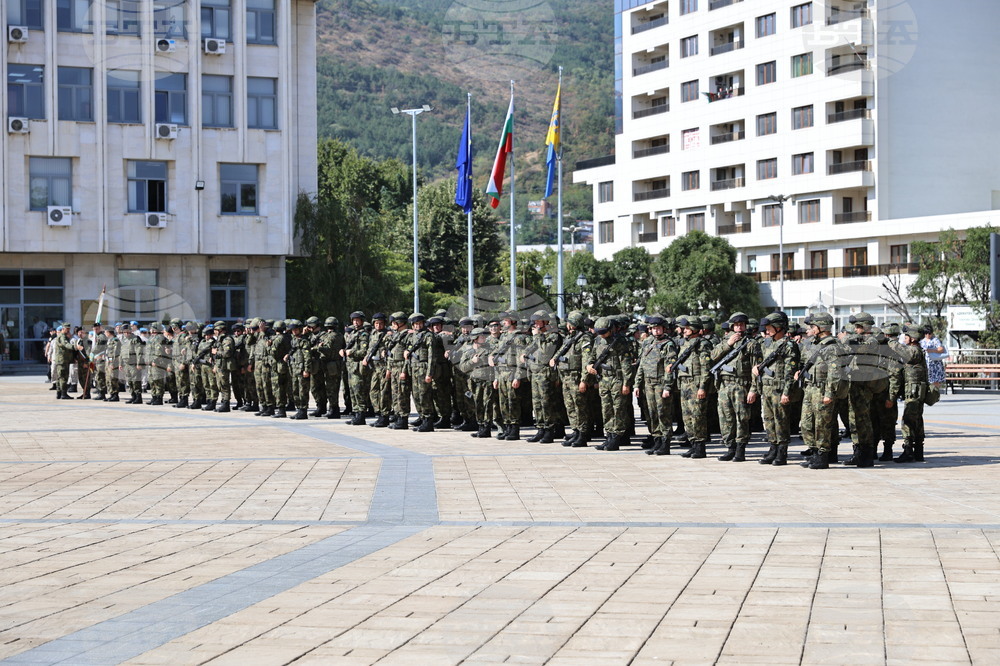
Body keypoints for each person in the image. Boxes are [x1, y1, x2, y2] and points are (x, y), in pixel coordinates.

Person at [892, 325, 929, 463]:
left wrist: (890, 341)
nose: (904, 339)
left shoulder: (913, 350)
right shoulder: (917, 350)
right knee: (917, 419)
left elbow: (902, 351)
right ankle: (918, 451)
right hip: (916, 390)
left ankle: (908, 451)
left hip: (914, 391)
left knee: (908, 420)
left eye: (906, 337)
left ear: (912, 338)